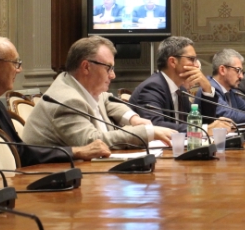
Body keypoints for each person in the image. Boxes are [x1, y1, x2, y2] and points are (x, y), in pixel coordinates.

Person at [0, 34, 109, 180]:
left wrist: (75, 152)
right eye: (15, 63)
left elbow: (19, 149)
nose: (19, 69)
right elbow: (18, 154)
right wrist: (76, 151)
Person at [23, 36, 176, 149]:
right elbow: (92, 142)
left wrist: (133, 118)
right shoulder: (66, 101)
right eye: (108, 68)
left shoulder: (83, 87)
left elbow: (108, 100)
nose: (113, 75)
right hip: (53, 177)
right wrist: (146, 132)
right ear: (86, 67)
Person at [128, 36, 232, 135]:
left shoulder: (180, 90)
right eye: (191, 59)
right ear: (173, 62)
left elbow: (202, 122)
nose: (196, 65)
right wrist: (204, 129)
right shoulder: (152, 87)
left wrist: (207, 89)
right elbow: (155, 125)